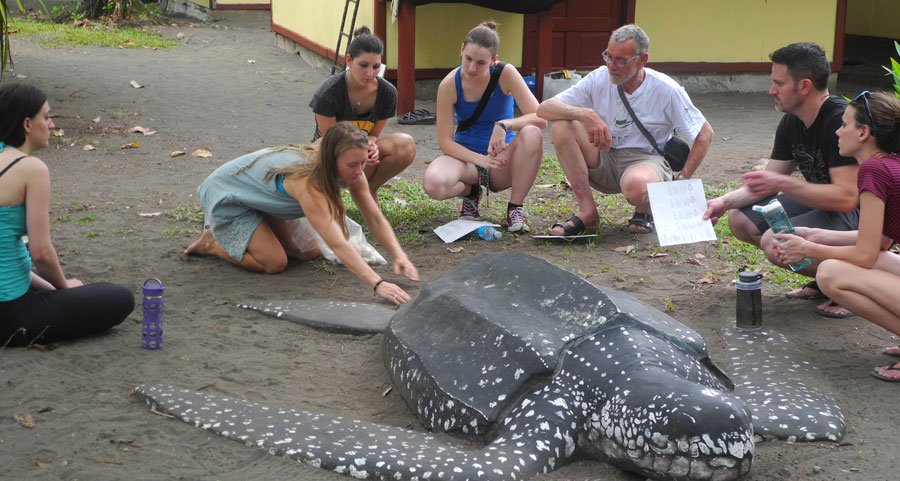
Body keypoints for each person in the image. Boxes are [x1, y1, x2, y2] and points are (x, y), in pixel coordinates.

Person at [704, 42, 860, 318]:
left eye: (779, 83)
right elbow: (769, 180)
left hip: (861, 214)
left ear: (804, 86)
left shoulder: (840, 121)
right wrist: (722, 202)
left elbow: (848, 198)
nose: (771, 91)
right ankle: (826, 280)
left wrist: (783, 184)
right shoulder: (792, 121)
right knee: (741, 220)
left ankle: (854, 285)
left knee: (774, 241)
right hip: (823, 205)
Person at [184, 122, 419, 305]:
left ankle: (262, 227)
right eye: (352, 165)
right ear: (331, 160)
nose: (360, 172)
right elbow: (337, 243)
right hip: (229, 197)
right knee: (275, 262)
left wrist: (400, 255)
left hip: (266, 202)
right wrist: (377, 284)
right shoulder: (309, 183)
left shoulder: (352, 165)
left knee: (308, 253)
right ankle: (212, 243)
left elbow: (374, 216)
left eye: (363, 163)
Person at [537, 23, 713, 236]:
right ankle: (588, 212)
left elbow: (705, 134)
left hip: (646, 161)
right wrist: (586, 114)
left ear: (642, 60)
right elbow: (544, 109)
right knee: (563, 126)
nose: (612, 66)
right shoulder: (598, 78)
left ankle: (645, 208)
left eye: (621, 60)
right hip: (606, 155)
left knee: (636, 186)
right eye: (608, 56)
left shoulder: (666, 89)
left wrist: (682, 180)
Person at [771, 92, 900, 381]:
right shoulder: (889, 164)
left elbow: (865, 256)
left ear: (864, 132)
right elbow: (881, 242)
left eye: (844, 124)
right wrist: (820, 235)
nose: (837, 131)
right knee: (863, 262)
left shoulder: (874, 171)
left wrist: (808, 247)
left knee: (830, 273)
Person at [0, 83, 134, 346]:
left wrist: (52, 290)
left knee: (20, 248)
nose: (51, 125)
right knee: (120, 298)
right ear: (27, 124)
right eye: (47, 117)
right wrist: (63, 286)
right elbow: (41, 252)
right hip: (11, 314)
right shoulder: (31, 168)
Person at [422, 21, 546, 232]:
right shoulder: (449, 84)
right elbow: (445, 141)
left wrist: (505, 124)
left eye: (481, 63)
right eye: (468, 59)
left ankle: (515, 208)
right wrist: (479, 160)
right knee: (434, 184)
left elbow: (540, 117)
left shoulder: (505, 73)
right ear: (461, 49)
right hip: (467, 161)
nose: (472, 68)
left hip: (502, 161)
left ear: (494, 60)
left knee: (532, 133)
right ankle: (470, 193)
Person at [310, 26, 416, 200]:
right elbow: (329, 139)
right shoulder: (329, 92)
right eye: (363, 65)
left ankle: (368, 192)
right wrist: (361, 146)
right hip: (329, 155)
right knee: (319, 147)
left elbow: (374, 134)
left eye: (376, 66)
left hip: (361, 154)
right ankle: (326, 195)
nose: (370, 73)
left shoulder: (387, 93)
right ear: (349, 60)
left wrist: (372, 145)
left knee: (406, 144)